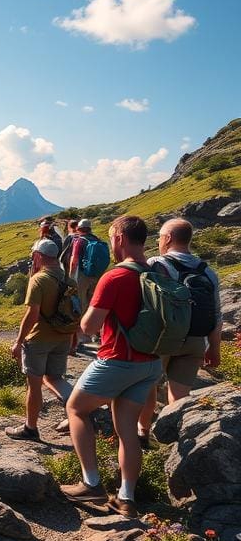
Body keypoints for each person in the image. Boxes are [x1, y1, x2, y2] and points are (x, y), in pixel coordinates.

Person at [61, 216, 163, 518]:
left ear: (119, 238)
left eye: (111, 238)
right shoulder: (156, 273)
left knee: (76, 409)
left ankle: (91, 483)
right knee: (127, 430)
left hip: (118, 359)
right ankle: (126, 497)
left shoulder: (115, 277)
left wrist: (85, 318)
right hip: (151, 363)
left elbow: (89, 327)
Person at [137, 218, 223, 448]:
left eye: (160, 237)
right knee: (179, 397)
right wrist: (213, 347)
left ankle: (143, 434)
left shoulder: (158, 263)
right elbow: (216, 313)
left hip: (165, 339)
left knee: (148, 387)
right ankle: (179, 444)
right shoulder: (208, 272)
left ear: (168, 239)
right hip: (196, 341)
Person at [6, 239, 75, 441]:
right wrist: (74, 337)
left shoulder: (39, 280)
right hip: (63, 337)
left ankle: (30, 428)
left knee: (34, 384)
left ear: (38, 256)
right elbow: (76, 311)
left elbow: (32, 314)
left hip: (39, 339)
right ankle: (77, 409)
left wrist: (19, 341)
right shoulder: (69, 281)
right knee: (55, 378)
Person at [68, 219, 104, 344]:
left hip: (83, 276)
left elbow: (74, 260)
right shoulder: (96, 239)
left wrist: (71, 277)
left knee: (82, 303)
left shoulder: (79, 240)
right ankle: (97, 333)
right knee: (94, 304)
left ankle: (83, 335)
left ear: (79, 228)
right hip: (97, 276)